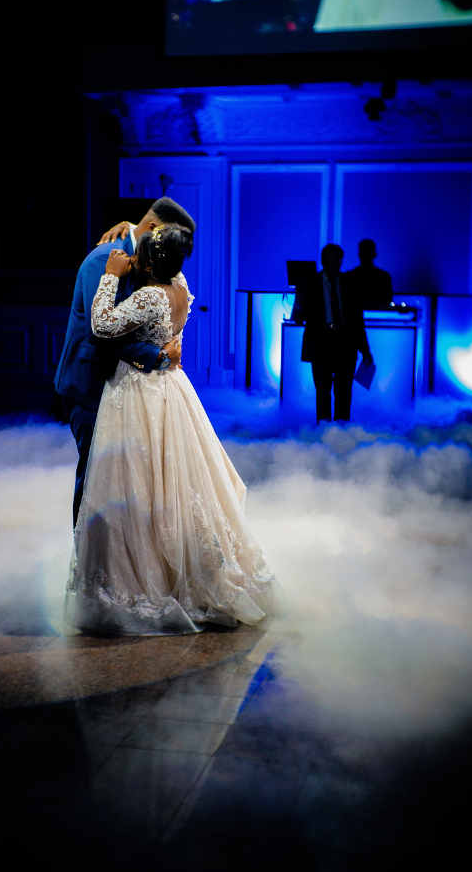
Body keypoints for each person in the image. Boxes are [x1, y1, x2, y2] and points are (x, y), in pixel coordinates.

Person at [65, 223, 274, 636]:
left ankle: (143, 581)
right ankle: (180, 573)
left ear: (151, 261)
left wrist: (110, 275)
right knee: (175, 483)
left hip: (139, 393)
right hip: (172, 390)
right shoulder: (180, 287)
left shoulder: (149, 296)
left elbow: (103, 325)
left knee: (135, 485)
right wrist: (129, 229)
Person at [55, 198, 195, 528]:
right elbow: (103, 333)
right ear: (154, 231)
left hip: (132, 388)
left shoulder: (158, 267)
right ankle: (90, 566)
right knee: (95, 478)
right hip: (94, 383)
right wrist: (160, 357)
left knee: (129, 480)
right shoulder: (105, 259)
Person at [293, 243, 373, 423]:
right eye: (332, 260)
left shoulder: (349, 283)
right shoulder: (311, 283)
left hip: (345, 342)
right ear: (323, 261)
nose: (335, 264)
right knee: (323, 391)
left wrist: (365, 350)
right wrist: (299, 300)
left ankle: (341, 432)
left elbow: (357, 320)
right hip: (321, 342)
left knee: (343, 392)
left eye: (337, 260)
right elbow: (300, 315)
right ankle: (324, 431)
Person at [346, 238, 393, 310]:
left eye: (367, 252)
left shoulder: (350, 276)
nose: (366, 255)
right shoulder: (384, 277)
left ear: (359, 254)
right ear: (375, 254)